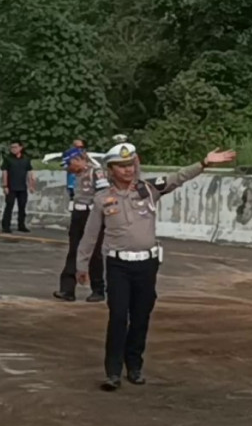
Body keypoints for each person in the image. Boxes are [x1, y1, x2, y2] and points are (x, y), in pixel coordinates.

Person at [77, 142, 236, 391]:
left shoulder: (149, 189)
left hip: (147, 265)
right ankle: (113, 372)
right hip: (118, 265)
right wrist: (81, 264)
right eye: (122, 166)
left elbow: (178, 177)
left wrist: (204, 163)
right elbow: (90, 234)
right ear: (111, 169)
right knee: (118, 317)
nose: (128, 170)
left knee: (141, 317)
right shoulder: (102, 199)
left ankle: (135, 367)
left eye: (131, 164)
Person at [54, 149, 107, 303]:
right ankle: (67, 289)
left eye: (69, 164)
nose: (68, 168)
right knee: (73, 251)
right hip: (78, 214)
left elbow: (104, 193)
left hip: (92, 214)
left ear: (78, 159)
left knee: (95, 253)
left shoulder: (96, 172)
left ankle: (98, 290)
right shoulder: (76, 175)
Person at [1, 140, 35, 233]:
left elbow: (29, 173)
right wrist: (5, 186)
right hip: (11, 187)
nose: (13, 149)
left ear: (20, 148)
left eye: (15, 147)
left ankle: (21, 225)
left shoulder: (26, 159)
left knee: (22, 207)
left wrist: (31, 185)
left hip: (22, 187)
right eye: (12, 147)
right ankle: (6, 226)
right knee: (9, 206)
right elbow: (4, 172)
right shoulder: (8, 159)